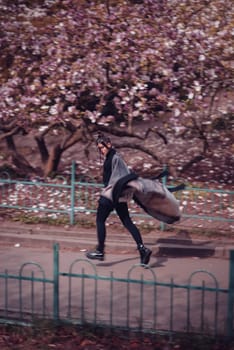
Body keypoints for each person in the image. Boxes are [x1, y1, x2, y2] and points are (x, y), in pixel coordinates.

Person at [86, 133, 152, 265]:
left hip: (112, 194)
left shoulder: (115, 158)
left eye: (103, 147)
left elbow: (123, 176)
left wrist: (113, 190)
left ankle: (100, 250)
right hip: (116, 196)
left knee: (100, 219)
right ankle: (142, 249)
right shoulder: (111, 158)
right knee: (127, 221)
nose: (101, 150)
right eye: (99, 148)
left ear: (109, 144)